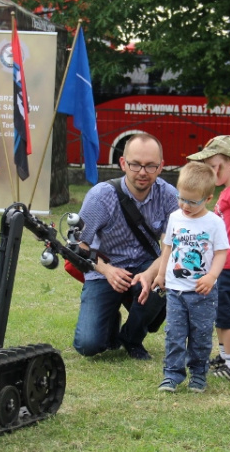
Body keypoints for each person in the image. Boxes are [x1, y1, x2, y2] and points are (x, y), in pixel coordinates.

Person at [73, 133, 179, 360]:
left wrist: (151, 274)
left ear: (161, 167)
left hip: (145, 265)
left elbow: (176, 246)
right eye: (135, 164)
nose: (142, 172)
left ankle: (131, 338)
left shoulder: (170, 196)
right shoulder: (100, 196)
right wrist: (107, 271)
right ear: (123, 163)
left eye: (150, 166)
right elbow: (76, 244)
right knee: (88, 345)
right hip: (106, 269)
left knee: (165, 276)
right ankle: (110, 320)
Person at [145, 161, 229, 393]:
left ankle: (198, 375)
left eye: (193, 201)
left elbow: (222, 252)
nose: (186, 205)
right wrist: (161, 274)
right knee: (174, 335)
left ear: (208, 198)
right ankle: (171, 375)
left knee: (200, 337)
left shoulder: (214, 223)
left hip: (202, 293)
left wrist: (212, 276)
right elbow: (168, 247)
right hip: (175, 291)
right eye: (182, 199)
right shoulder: (175, 217)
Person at [187, 135, 230, 381]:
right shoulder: (228, 192)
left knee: (226, 315)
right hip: (222, 265)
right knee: (219, 313)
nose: (208, 171)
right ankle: (225, 357)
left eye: (213, 165)